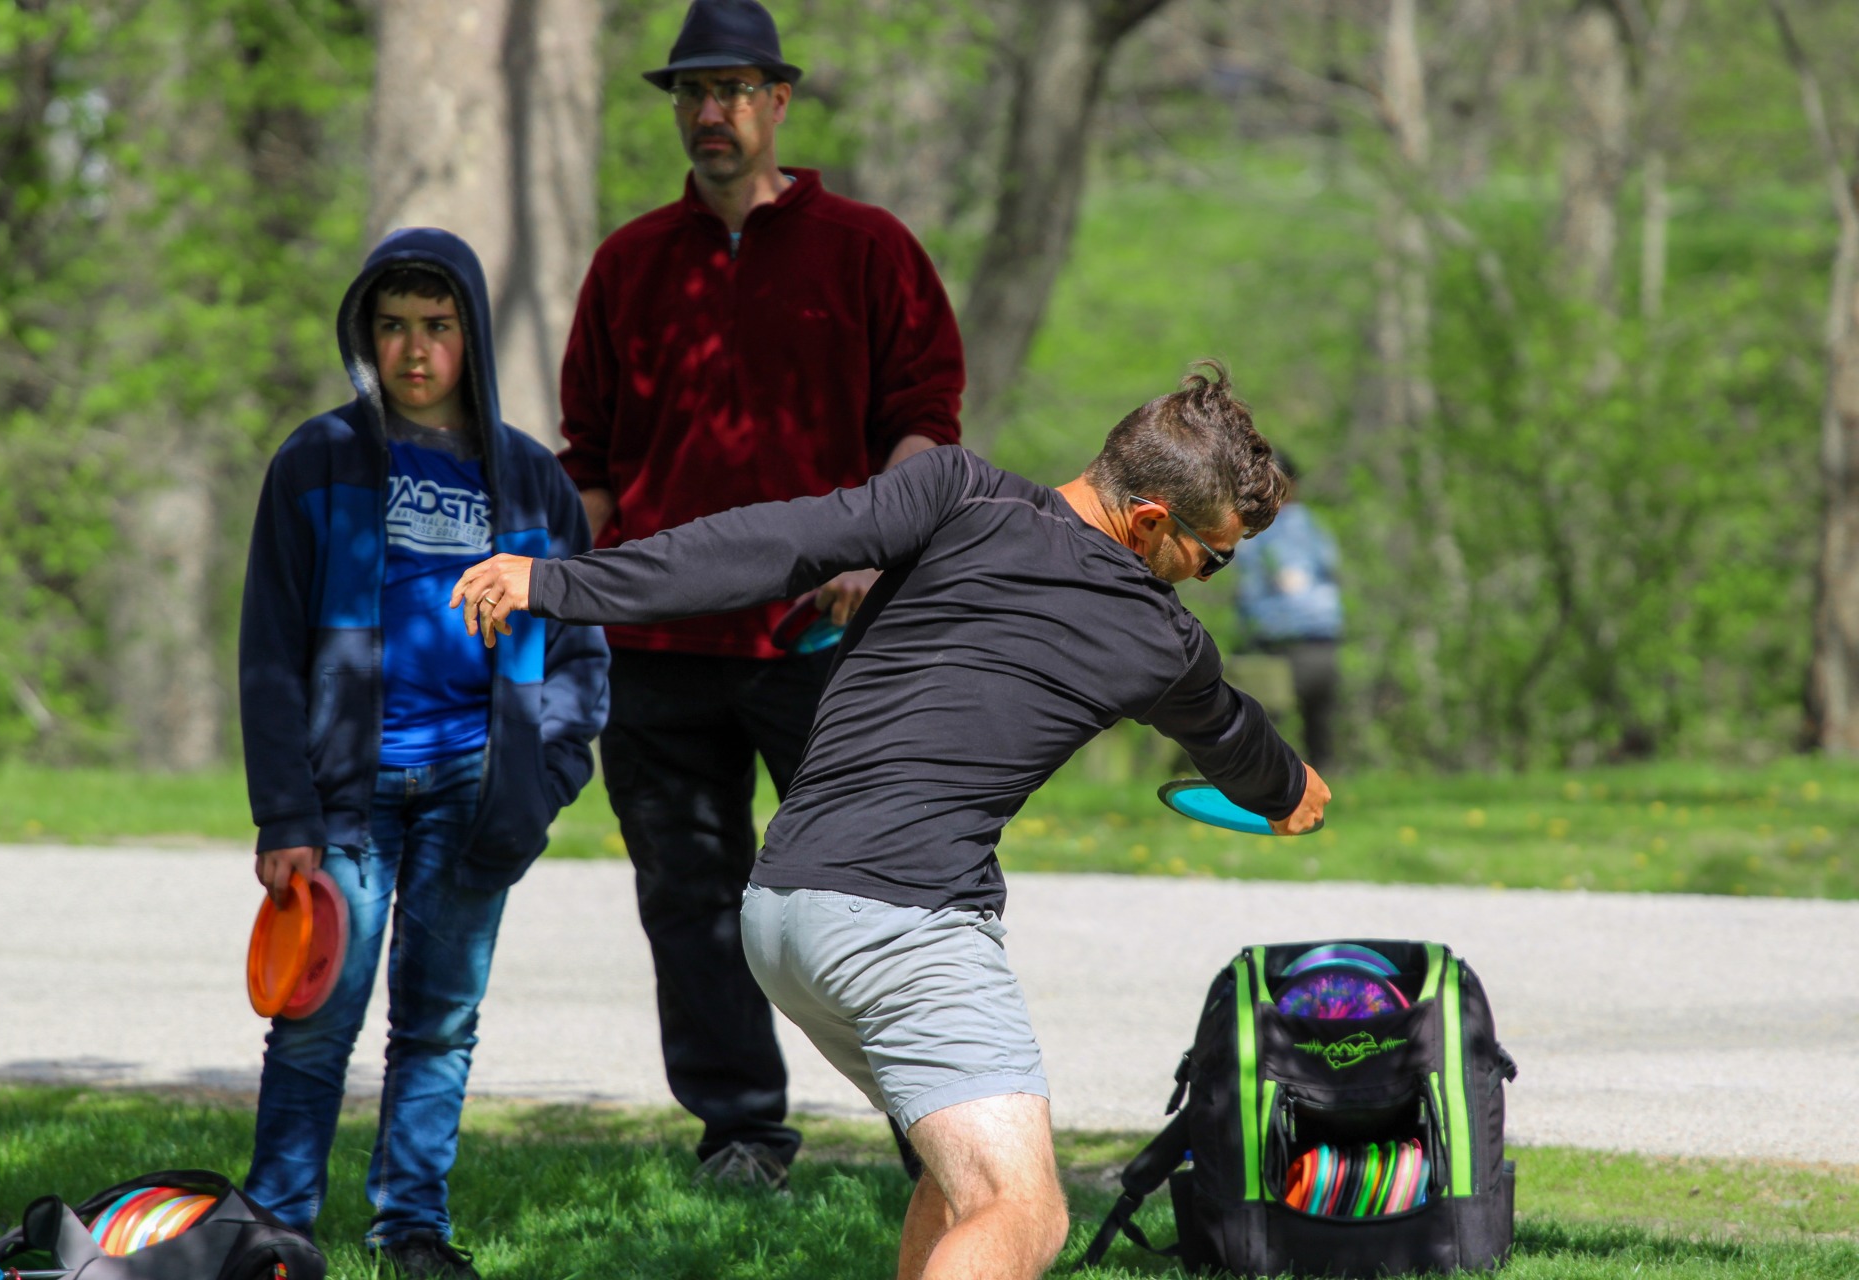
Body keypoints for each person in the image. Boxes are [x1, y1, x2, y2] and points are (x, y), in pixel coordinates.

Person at [454, 363, 1332, 1280]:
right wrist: (1293, 796)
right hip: (905, 924)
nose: (1212, 577)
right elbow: (1238, 743)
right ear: (1151, 519)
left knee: (956, 1180)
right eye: (1213, 555)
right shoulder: (1162, 638)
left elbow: (766, 543)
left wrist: (559, 583)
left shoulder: (954, 491)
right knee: (1019, 1209)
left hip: (783, 910)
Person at [557, 0, 964, 1186]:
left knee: (871, 896)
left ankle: (935, 1137)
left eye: (733, 90)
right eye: (691, 92)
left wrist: (873, 546)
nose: (711, 113)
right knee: (688, 900)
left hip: (821, 637)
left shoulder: (869, 248)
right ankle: (741, 1131)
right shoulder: (629, 264)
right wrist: (556, 599)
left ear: (779, 101)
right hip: (657, 646)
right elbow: (589, 459)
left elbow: (925, 430)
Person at [238, 227, 610, 1280]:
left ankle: (411, 1224)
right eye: (393, 325)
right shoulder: (315, 462)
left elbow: (580, 647)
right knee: (317, 1015)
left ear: (472, 336)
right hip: (342, 794)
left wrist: (544, 777)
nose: (413, 348)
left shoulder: (534, 484)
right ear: (365, 334)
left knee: (441, 1020)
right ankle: (276, 1224)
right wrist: (285, 812)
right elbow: (267, 647)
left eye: (437, 326)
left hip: (477, 784)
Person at [1232, 451, 1343, 768]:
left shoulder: (1259, 534)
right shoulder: (1315, 528)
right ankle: (1326, 789)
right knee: (1320, 732)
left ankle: (1272, 792)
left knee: (1263, 728)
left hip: (1279, 642)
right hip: (1325, 639)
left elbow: (1249, 592)